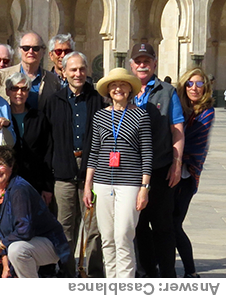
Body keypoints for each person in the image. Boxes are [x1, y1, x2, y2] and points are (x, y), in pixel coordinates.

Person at [83, 67, 153, 278]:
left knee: (123, 235)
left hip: (130, 183)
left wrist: (144, 188)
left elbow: (147, 153)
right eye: (114, 85)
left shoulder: (140, 115)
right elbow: (94, 151)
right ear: (108, 90)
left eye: (122, 84)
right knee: (107, 237)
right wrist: (88, 185)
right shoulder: (99, 117)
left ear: (130, 88)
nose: (118, 89)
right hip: (103, 183)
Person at [44, 51, 105, 278]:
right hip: (63, 173)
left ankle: (94, 274)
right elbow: (49, 142)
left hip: (93, 172)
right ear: (63, 72)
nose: (78, 74)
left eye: (81, 69)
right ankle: (68, 274)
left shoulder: (98, 100)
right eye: (73, 69)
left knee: (94, 230)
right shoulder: (55, 101)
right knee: (64, 229)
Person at [129, 43, 184, 278]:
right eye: (138, 61)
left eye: (147, 61)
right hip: (131, 171)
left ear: (154, 63)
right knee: (138, 227)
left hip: (160, 169)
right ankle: (146, 274)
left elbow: (177, 128)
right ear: (131, 64)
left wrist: (176, 163)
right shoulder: (124, 89)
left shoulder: (167, 91)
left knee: (162, 226)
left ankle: (168, 276)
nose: (142, 65)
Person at [0, 146, 69, 278]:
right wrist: (5, 266)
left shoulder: (19, 189)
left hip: (50, 243)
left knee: (17, 250)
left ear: (11, 166)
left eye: (0, 165)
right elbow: (0, 232)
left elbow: (24, 230)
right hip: (25, 243)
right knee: (14, 251)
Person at [173, 68, 215, 278]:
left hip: (187, 176)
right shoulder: (180, 108)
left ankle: (190, 271)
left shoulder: (207, 112)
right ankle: (169, 268)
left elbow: (191, 144)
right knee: (167, 224)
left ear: (206, 88)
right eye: (190, 84)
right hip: (171, 173)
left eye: (199, 84)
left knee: (174, 224)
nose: (194, 88)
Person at [5, 72, 53, 205]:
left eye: (24, 89)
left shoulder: (39, 118)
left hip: (35, 183)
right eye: (15, 88)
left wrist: (47, 187)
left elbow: (47, 152)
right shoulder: (3, 118)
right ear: (7, 91)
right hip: (9, 182)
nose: (19, 93)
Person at [0, 31, 61, 111]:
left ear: (43, 51)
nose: (30, 52)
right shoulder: (3, 76)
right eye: (26, 48)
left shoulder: (52, 80)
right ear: (19, 50)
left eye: (36, 48)